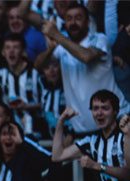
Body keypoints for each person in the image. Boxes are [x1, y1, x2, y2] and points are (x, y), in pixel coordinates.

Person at [35, 3, 129, 135]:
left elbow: (86, 56)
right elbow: (38, 66)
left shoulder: (99, 39)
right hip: (83, 131)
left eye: (78, 18)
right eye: (69, 19)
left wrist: (57, 35)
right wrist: (50, 49)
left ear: (87, 22)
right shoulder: (62, 46)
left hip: (117, 122)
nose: (73, 22)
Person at [51, 91, 130, 181]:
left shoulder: (125, 136)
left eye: (105, 108)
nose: (99, 113)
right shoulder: (92, 140)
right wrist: (61, 121)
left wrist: (96, 166)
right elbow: (57, 156)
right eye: (95, 108)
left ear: (115, 111)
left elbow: (129, 173)